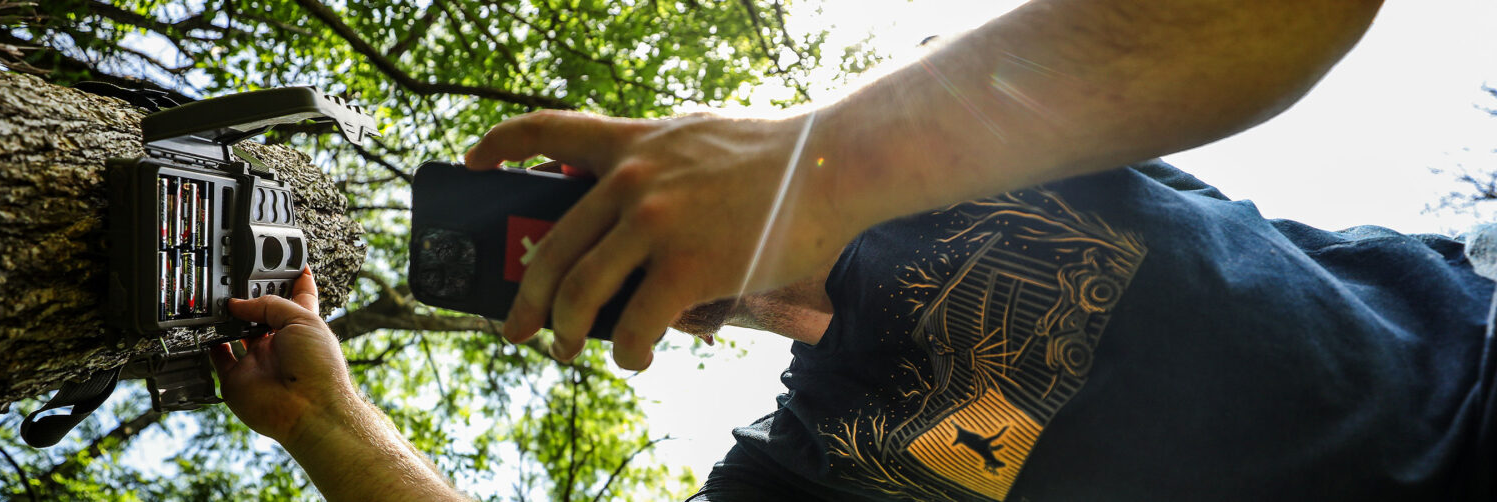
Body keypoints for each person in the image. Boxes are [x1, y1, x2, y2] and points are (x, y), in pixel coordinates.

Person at [212, 0, 1496, 499]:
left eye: (618, 194)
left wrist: (810, 162)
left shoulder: (965, 128)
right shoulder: (817, 463)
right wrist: (333, 427)